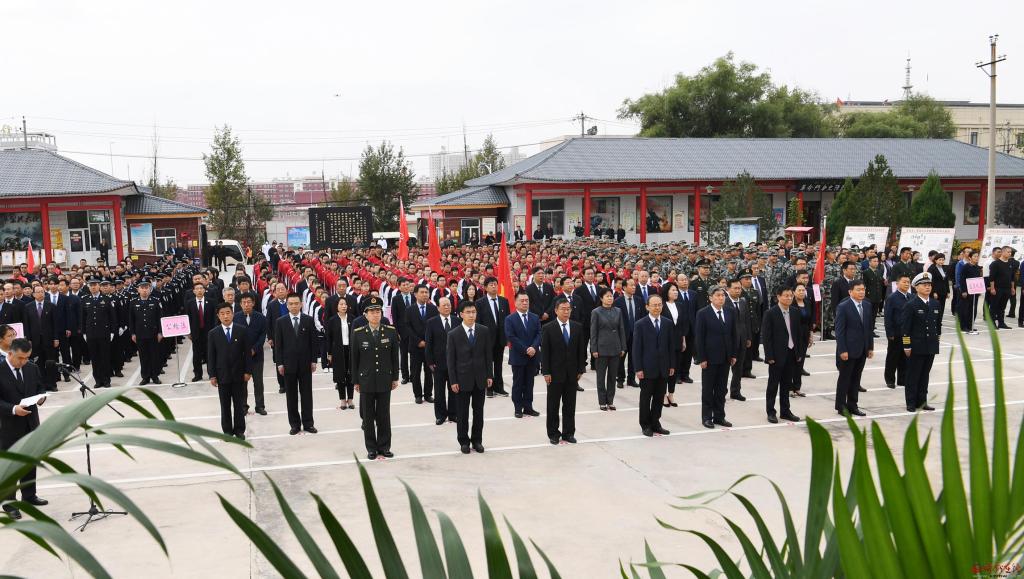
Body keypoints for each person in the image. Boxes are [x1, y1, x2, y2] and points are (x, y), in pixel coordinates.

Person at [0, 338, 48, 519]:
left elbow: (40, 387)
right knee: (10, 466)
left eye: (27, 357)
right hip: (7, 426)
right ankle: (9, 503)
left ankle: (29, 495)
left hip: (30, 423)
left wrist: (42, 397)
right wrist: (13, 409)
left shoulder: (31, 368)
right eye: (20, 358)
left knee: (30, 461)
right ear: (10, 353)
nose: (24, 361)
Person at [351, 296, 400, 460]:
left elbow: (394, 357)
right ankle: (371, 448)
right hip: (366, 380)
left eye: (378, 311)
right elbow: (354, 359)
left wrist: (395, 377)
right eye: (372, 312)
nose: (375, 314)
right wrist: (355, 381)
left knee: (384, 415)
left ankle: (384, 446)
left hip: (385, 379)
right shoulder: (358, 333)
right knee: (368, 416)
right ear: (365, 315)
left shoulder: (390, 331)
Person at [446, 300, 492, 454]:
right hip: (462, 379)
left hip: (480, 378)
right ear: (461, 314)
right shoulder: (453, 334)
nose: (471, 315)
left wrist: (489, 375)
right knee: (462, 413)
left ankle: (477, 440)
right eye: (468, 312)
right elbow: (451, 360)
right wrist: (453, 380)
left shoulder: (484, 330)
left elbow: (488, 355)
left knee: (479, 412)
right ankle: (464, 441)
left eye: (473, 312)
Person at [541, 296, 587, 443]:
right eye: (563, 309)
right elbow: (545, 353)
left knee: (570, 405)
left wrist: (581, 369)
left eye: (568, 309)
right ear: (556, 310)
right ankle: (553, 433)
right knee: (553, 406)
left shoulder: (577, 327)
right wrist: (546, 372)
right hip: (554, 374)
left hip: (572, 373)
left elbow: (581, 350)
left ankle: (568, 433)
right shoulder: (548, 328)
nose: (566, 312)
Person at [693, 286, 737, 429]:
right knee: (708, 389)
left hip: (725, 357)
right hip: (710, 358)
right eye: (717, 295)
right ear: (710, 297)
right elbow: (699, 337)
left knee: (721, 389)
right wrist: (702, 358)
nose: (721, 298)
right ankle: (707, 417)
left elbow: (733, 334)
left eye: (723, 295)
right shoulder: (703, 313)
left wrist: (733, 354)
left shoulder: (730, 311)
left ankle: (719, 416)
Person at [273, 293, 317, 435]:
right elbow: (278, 345)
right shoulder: (281, 322)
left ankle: (308, 423)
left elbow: (313, 342)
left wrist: (314, 360)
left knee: (307, 395)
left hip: (305, 364)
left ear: (301, 304)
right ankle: (294, 424)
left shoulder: (308, 320)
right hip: (288, 365)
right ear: (287, 305)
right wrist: (280, 363)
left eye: (296, 303)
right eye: (291, 304)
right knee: (291, 396)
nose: (294, 306)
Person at [632, 293, 675, 436]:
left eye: (659, 305)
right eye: (654, 305)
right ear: (647, 307)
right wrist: (638, 368)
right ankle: (645, 424)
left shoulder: (667, 323)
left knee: (659, 397)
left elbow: (671, 346)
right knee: (646, 398)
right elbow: (636, 348)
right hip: (647, 368)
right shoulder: (640, 324)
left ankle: (655, 422)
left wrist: (671, 365)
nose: (657, 307)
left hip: (663, 367)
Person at [207, 303, 252, 439]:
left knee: (239, 404)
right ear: (218, 316)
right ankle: (227, 431)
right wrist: (212, 375)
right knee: (225, 405)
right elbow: (211, 356)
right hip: (222, 375)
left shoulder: (242, 330)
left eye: (228, 313)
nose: (225, 316)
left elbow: (247, 353)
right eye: (222, 314)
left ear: (232, 314)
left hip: (239, 374)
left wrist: (248, 371)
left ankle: (239, 430)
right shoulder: (213, 333)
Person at [761, 286, 804, 423]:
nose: (789, 298)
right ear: (778, 297)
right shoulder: (770, 313)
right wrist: (769, 356)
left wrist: (798, 352)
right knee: (773, 385)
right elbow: (766, 337)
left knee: (786, 385)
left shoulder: (795, 312)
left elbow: (798, 334)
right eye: (786, 295)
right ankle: (771, 411)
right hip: (776, 355)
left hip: (791, 353)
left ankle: (785, 411)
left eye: (791, 295)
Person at [902, 272, 941, 412]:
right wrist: (907, 345)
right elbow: (905, 328)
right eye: (924, 285)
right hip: (916, 346)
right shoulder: (911, 305)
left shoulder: (935, 303)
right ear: (916, 287)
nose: (927, 287)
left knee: (925, 375)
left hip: (930, 345)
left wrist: (937, 340)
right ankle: (911, 402)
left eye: (929, 285)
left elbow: (938, 325)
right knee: (913, 375)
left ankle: (922, 401)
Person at [834, 280, 874, 416]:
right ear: (850, 292)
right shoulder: (843, 307)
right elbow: (839, 331)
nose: (861, 292)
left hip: (862, 349)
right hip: (848, 349)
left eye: (863, 289)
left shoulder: (867, 305)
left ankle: (853, 405)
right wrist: (842, 350)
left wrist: (870, 347)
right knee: (845, 379)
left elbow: (869, 328)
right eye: (858, 289)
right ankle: (841, 406)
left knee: (856, 379)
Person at [504, 291, 541, 418]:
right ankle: (518, 408)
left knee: (529, 383)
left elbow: (539, 334)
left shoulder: (535, 317)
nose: (525, 303)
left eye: (527, 300)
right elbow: (511, 337)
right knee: (518, 383)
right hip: (518, 356)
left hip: (532, 356)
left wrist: (533, 347)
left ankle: (528, 407)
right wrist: (526, 349)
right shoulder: (510, 319)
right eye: (522, 300)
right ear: (516, 303)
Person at [590, 287, 626, 411]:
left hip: (615, 347)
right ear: (601, 298)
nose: (610, 298)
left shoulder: (618, 311)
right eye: (607, 296)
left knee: (612, 376)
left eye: (611, 296)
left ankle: (610, 401)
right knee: (601, 377)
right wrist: (594, 349)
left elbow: (621, 329)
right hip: (601, 349)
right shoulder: (596, 312)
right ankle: (602, 401)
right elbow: (593, 332)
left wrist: (623, 347)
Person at [425, 297, 458, 425]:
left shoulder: (457, 321)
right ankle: (440, 415)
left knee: (454, 389)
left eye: (448, 305)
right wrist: (430, 362)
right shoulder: (431, 322)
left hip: (454, 363)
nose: (447, 307)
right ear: (438, 308)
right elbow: (429, 344)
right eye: (444, 305)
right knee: (439, 391)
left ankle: (453, 414)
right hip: (438, 363)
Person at [475, 277, 510, 397]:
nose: (494, 286)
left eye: (495, 284)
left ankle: (499, 387)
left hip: (500, 338)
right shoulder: (480, 303)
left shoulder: (504, 301)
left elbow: (507, 319)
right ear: (485, 287)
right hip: (486, 339)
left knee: (499, 364)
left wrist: (506, 336)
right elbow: (478, 322)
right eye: (491, 284)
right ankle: (489, 388)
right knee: (487, 364)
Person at [234, 294, 268, 415]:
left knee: (258, 382)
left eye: (249, 302)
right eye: (244, 302)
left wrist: (254, 349)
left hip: (257, 356)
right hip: (241, 356)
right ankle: (243, 406)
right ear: (240, 304)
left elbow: (262, 335)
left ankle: (260, 406)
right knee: (242, 383)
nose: (246, 304)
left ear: (253, 303)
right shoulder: (235, 317)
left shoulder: (261, 317)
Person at [404, 284, 438, 404]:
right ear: (415, 294)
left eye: (426, 292)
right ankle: (418, 395)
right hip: (415, 346)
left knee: (429, 371)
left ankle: (428, 394)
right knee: (415, 372)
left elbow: (435, 327)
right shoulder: (409, 309)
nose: (425, 295)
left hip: (429, 346)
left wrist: (428, 342)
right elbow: (407, 327)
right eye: (422, 292)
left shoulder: (433, 309)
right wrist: (418, 341)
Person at [80, 278, 116, 388]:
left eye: (95, 285)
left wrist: (112, 331)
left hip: (104, 333)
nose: (93, 287)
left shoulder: (106, 299)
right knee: (95, 358)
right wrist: (84, 332)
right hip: (91, 333)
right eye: (91, 285)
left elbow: (112, 317)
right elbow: (82, 318)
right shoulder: (85, 299)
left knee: (105, 357)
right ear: (89, 287)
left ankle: (106, 380)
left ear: (99, 286)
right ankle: (98, 380)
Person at [128, 279, 163, 385]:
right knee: (143, 357)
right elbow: (131, 319)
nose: (144, 290)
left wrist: (160, 332)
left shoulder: (156, 301)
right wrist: (133, 333)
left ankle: (155, 376)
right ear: (138, 290)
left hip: (153, 333)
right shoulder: (133, 302)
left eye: (146, 288)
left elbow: (160, 318)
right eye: (142, 288)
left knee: (154, 355)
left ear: (150, 289)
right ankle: (145, 377)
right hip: (140, 334)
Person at [23, 285, 58, 392]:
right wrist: (28, 339)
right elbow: (26, 325)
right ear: (33, 294)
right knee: (38, 364)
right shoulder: (28, 307)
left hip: (49, 339)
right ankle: (41, 385)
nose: (40, 294)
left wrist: (56, 338)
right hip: (35, 341)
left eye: (42, 291)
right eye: (38, 292)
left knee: (51, 363)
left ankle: (52, 384)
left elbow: (55, 324)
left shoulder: (51, 306)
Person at [658, 283, 688, 407]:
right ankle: (663, 394)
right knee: (665, 368)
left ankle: (671, 393)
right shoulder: (661, 305)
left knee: (674, 369)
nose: (676, 292)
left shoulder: (680, 305)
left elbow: (682, 324)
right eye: (673, 290)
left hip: (677, 341)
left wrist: (683, 340)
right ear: (667, 292)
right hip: (664, 342)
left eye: (676, 290)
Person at [325, 298, 355, 411]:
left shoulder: (352, 318)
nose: (343, 306)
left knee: (351, 375)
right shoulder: (332, 320)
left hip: (350, 349)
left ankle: (350, 399)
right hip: (338, 351)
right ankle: (342, 400)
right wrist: (329, 353)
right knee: (340, 376)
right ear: (336, 306)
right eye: (341, 304)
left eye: (345, 304)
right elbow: (329, 338)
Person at [723, 279, 751, 401]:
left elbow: (747, 321)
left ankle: (735, 391)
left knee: (738, 369)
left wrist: (748, 337)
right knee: (724, 369)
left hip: (742, 339)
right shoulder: (724, 302)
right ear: (728, 289)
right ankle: (721, 392)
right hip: (728, 340)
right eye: (735, 288)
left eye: (739, 288)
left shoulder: (743, 302)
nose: (738, 290)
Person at [614, 278, 644, 388]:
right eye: (631, 285)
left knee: (634, 357)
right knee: (620, 358)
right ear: (624, 287)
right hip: (623, 334)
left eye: (634, 285)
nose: (634, 287)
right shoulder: (618, 301)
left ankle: (631, 379)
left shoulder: (639, 300)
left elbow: (643, 317)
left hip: (636, 334)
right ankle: (620, 379)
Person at [884, 273, 912, 389]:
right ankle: (890, 379)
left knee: (905, 356)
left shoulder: (911, 297)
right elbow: (888, 317)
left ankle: (902, 379)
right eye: (904, 282)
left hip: (907, 334)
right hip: (896, 333)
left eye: (908, 282)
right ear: (897, 283)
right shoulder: (892, 298)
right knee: (893, 357)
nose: (906, 284)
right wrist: (889, 333)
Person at [186, 282, 216, 382]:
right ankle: (198, 375)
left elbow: (214, 318)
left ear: (204, 290)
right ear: (194, 291)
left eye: (201, 288)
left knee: (209, 354)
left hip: (209, 332)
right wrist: (189, 332)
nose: (199, 290)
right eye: (197, 289)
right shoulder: (190, 303)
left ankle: (211, 374)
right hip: (196, 333)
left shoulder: (211, 302)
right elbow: (188, 318)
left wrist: (214, 330)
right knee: (196, 355)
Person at [789, 283, 814, 397]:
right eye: (799, 290)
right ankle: (789, 388)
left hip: (804, 334)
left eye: (803, 290)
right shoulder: (791, 304)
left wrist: (810, 334)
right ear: (794, 292)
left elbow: (810, 320)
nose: (802, 292)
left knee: (801, 361)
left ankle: (797, 387)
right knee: (792, 362)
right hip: (793, 334)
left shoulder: (807, 303)